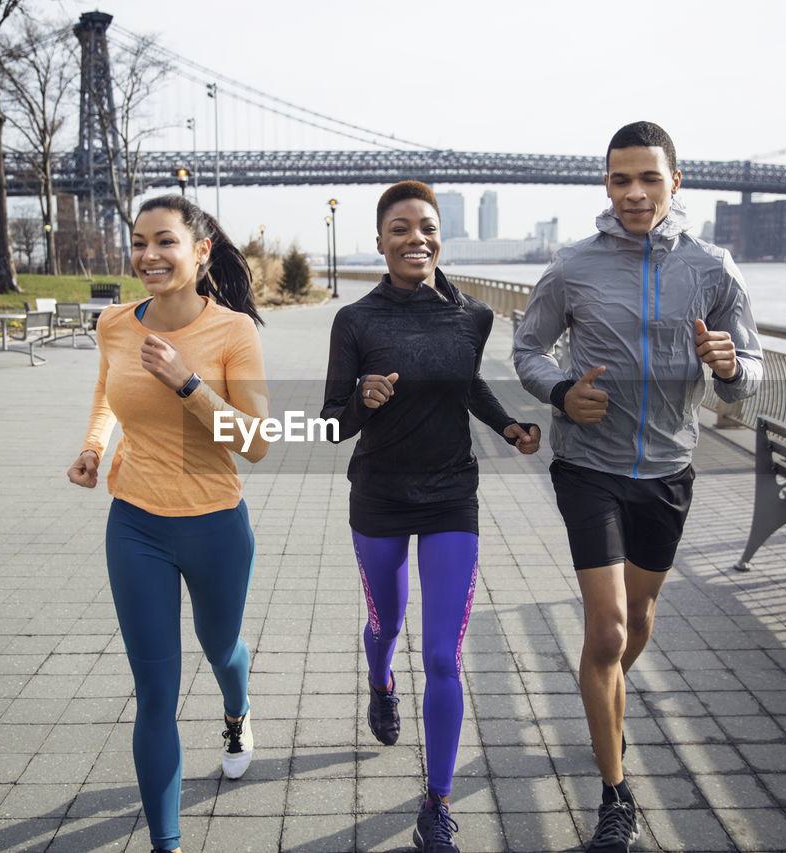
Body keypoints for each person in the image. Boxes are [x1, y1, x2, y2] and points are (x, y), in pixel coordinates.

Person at [513, 121, 762, 853]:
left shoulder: (714, 269)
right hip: (587, 465)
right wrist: (561, 393)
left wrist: (727, 366)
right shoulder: (572, 267)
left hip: (669, 471)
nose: (634, 193)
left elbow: (753, 371)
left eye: (649, 178)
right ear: (606, 185)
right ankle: (616, 796)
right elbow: (528, 347)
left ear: (675, 182)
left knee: (642, 616)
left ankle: (600, 692)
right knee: (610, 627)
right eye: (620, 179)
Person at [321, 181, 541, 853]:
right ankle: (380, 681)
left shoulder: (473, 316)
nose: (416, 237)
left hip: (452, 496)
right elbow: (330, 428)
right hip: (380, 496)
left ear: (440, 235)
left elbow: (467, 383)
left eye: (427, 226)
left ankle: (437, 804)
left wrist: (508, 424)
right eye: (400, 228)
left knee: (444, 655)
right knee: (386, 621)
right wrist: (361, 398)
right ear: (380, 240)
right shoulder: (355, 322)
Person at [66, 194, 268, 853]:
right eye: (139, 241)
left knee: (221, 647)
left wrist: (188, 383)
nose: (148, 255)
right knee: (155, 690)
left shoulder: (234, 331)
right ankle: (166, 843)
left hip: (215, 523)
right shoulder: (116, 323)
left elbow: (258, 442)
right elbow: (107, 394)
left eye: (165, 242)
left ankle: (236, 716)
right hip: (136, 525)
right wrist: (95, 446)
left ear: (200, 251)